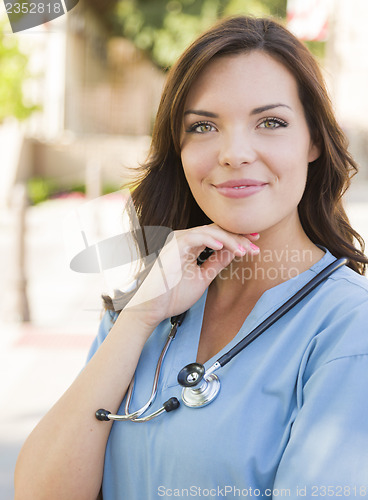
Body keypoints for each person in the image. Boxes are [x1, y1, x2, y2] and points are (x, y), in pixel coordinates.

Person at [15, 15, 368, 500]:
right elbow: (41, 491)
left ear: (313, 140)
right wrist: (139, 317)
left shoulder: (350, 328)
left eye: (270, 122)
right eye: (203, 126)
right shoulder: (149, 303)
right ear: (177, 149)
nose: (234, 152)